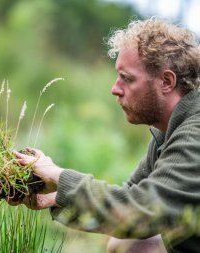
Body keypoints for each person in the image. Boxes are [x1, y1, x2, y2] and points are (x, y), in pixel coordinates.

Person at [11, 17, 200, 253]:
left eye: (127, 79)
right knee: (125, 245)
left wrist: (60, 176)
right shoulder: (168, 132)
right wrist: (54, 196)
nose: (115, 88)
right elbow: (126, 199)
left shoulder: (195, 134)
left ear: (166, 81)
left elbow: (138, 212)